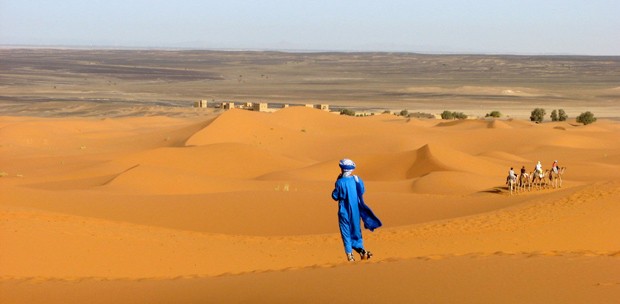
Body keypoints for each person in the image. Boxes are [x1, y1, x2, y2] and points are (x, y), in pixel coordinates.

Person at [331, 159, 382, 262]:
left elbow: (335, 196)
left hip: (343, 212)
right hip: (355, 211)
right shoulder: (357, 179)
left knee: (346, 233)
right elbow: (362, 190)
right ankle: (362, 251)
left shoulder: (339, 182)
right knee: (356, 232)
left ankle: (350, 256)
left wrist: (337, 182)